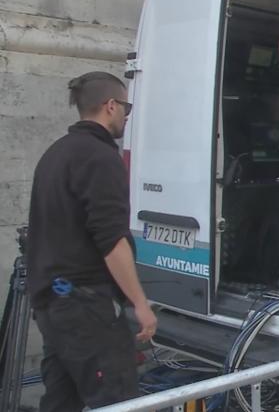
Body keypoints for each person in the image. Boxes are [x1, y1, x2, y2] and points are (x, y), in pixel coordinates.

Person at [27, 72, 157, 410]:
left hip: (52, 304)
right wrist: (140, 304)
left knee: (61, 400)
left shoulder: (54, 154)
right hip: (86, 307)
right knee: (116, 399)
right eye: (126, 109)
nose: (127, 117)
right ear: (110, 106)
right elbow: (112, 240)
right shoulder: (101, 158)